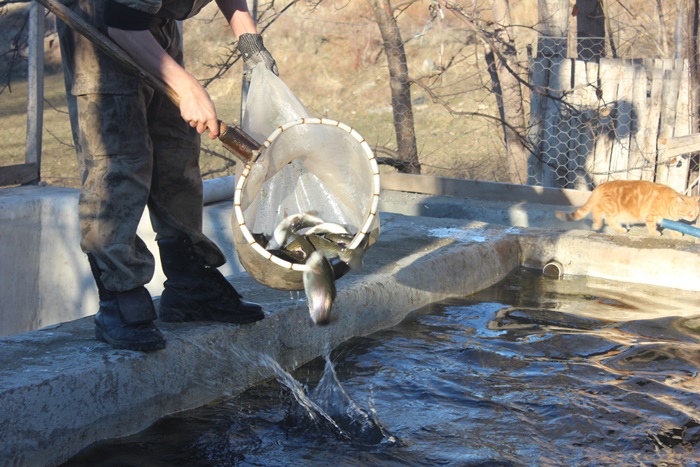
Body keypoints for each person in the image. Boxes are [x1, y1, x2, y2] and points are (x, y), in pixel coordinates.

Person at [57, 0, 277, 351]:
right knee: (119, 162)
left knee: (177, 151)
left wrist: (251, 44)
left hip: (151, 22)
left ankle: (190, 284)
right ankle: (119, 297)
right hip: (102, 23)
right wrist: (188, 88)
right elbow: (121, 21)